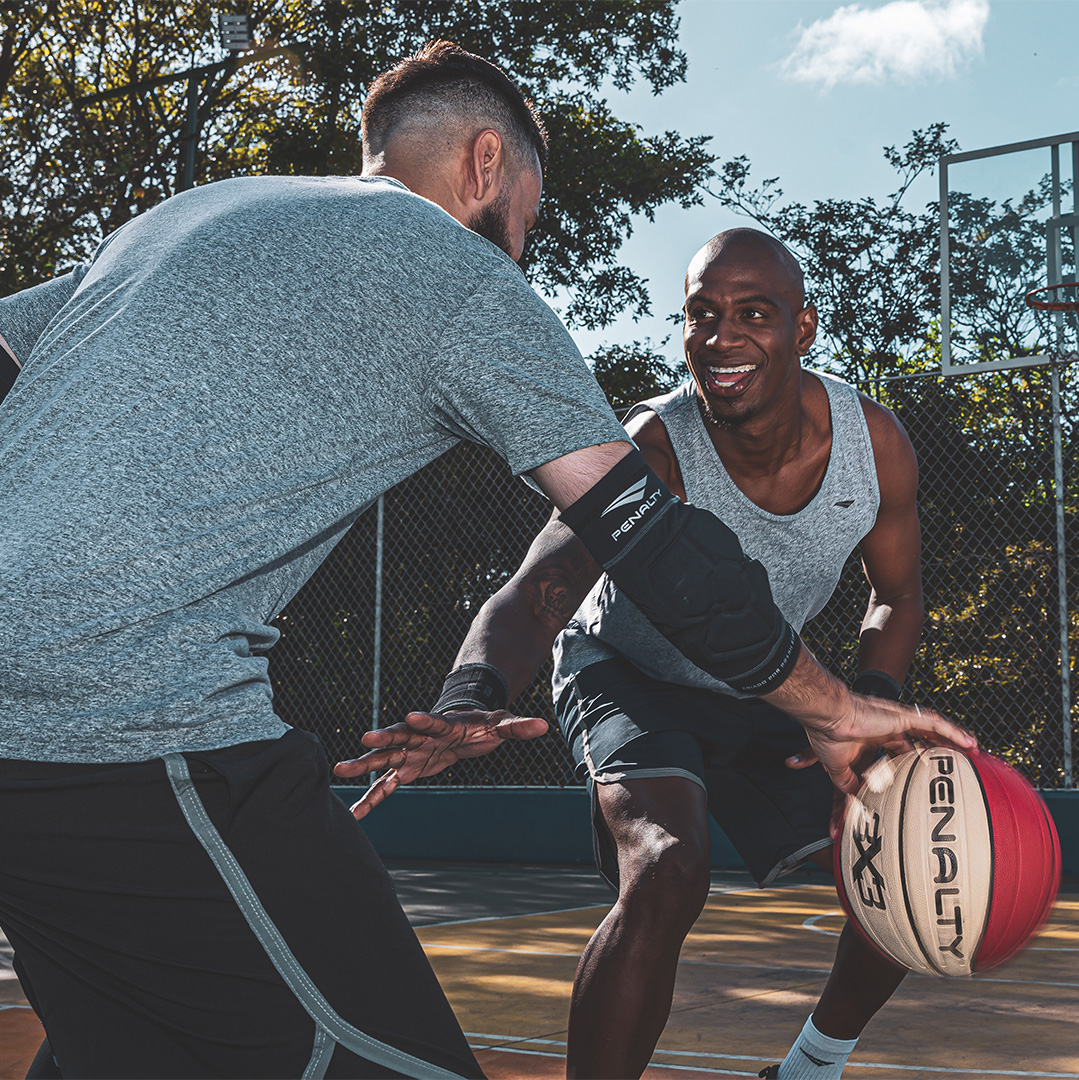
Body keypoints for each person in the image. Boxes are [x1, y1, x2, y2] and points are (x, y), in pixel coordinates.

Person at [0, 37, 970, 1079]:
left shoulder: (194, 212)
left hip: (41, 750)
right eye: (525, 225)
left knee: (126, 1050)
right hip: (121, 718)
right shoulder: (457, 276)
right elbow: (635, 539)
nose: (516, 253)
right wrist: (835, 709)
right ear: (484, 165)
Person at [344, 229, 932, 1080]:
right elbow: (537, 587)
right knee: (666, 864)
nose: (722, 338)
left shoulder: (872, 446)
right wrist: (471, 694)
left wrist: (869, 701)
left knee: (906, 855)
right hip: (625, 670)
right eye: (702, 316)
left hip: (770, 681)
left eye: (753, 315)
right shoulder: (653, 447)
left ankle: (811, 1068)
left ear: (802, 330)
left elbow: (897, 595)